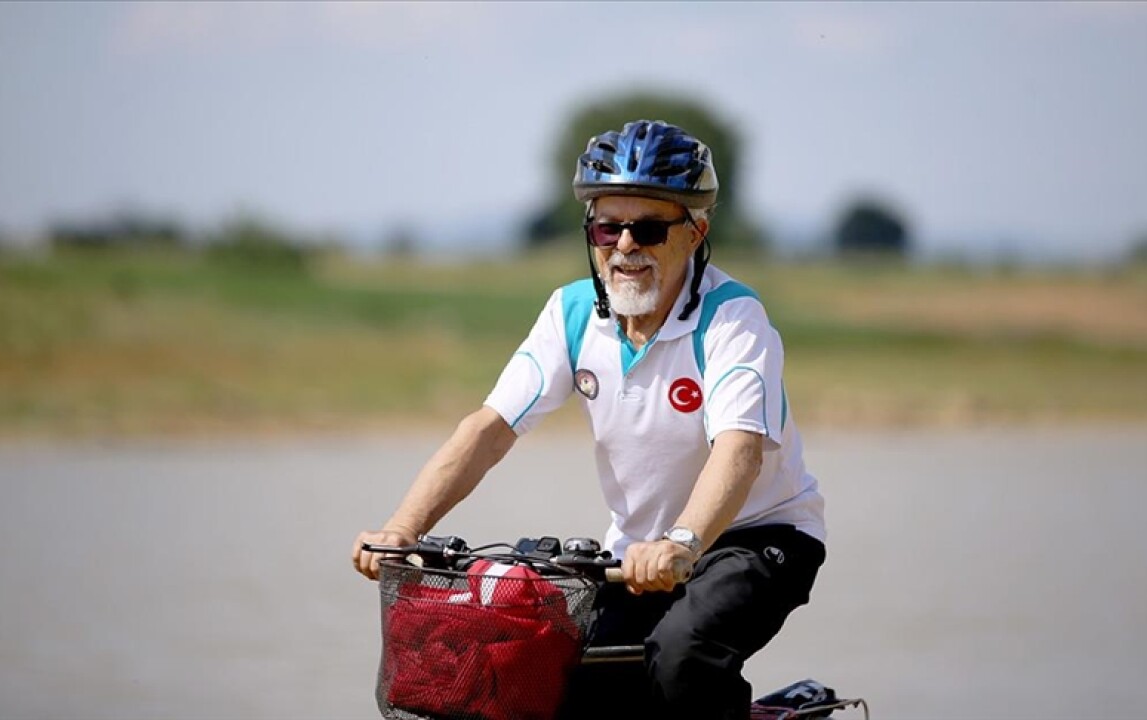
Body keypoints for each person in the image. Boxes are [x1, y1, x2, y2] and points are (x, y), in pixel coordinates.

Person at [352, 119, 827, 720]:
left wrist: (682, 542)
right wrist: (402, 528)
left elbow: (740, 450)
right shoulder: (572, 312)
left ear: (696, 232)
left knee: (682, 656)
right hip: (638, 555)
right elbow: (488, 431)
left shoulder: (732, 318)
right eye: (608, 227)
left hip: (759, 537)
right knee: (558, 677)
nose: (624, 246)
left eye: (648, 228)